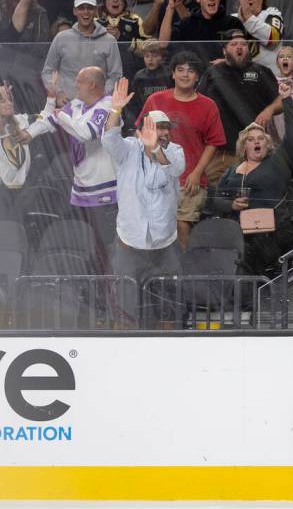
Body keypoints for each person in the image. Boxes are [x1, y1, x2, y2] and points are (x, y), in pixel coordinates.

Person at [103, 79, 185, 327]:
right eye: (153, 127)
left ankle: (171, 344)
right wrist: (115, 110)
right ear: (139, 131)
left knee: (170, 303)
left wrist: (156, 150)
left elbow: (175, 169)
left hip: (165, 241)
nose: (161, 132)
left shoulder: (175, 150)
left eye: (164, 128)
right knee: (125, 304)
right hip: (130, 241)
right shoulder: (127, 149)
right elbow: (109, 139)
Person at [22, 67, 120, 266]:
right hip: (81, 188)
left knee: (108, 246)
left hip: (105, 189)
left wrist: (62, 116)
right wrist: (29, 133)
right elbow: (49, 118)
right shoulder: (77, 105)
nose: (75, 85)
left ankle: (113, 288)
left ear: (92, 84)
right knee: (87, 245)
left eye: (79, 81)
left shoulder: (108, 105)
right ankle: (91, 287)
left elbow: (86, 133)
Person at [137, 51, 226, 250]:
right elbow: (140, 133)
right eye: (180, 70)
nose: (185, 75)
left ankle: (183, 275)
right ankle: (159, 275)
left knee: (181, 225)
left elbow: (214, 142)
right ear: (172, 74)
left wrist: (197, 173)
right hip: (155, 180)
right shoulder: (155, 100)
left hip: (190, 180)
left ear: (197, 77)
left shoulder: (208, 105)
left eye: (191, 71)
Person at [198, 29, 288, 184]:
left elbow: (282, 100)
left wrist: (270, 109)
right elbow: (198, 103)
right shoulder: (212, 73)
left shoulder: (261, 71)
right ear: (224, 50)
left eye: (243, 44)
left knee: (252, 198)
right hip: (219, 153)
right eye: (233, 44)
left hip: (253, 152)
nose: (239, 47)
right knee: (217, 199)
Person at [214, 113, 293, 276]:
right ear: (244, 146)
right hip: (238, 231)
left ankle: (243, 296)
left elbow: (292, 133)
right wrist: (231, 205)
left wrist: (287, 99)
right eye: (251, 139)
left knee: (245, 254)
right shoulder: (231, 171)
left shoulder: (276, 163)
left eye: (261, 138)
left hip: (270, 232)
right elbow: (214, 201)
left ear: (267, 144)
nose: (256, 142)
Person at [41, 0, 123, 105]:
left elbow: (116, 76)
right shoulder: (61, 38)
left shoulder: (109, 40)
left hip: (97, 106)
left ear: (95, 11)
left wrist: (101, 96)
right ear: (75, 11)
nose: (85, 12)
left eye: (89, 8)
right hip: (66, 105)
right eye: (81, 8)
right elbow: (48, 71)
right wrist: (57, 92)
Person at [158, 0, 244, 66]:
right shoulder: (188, 24)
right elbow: (163, 44)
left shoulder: (233, 23)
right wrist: (171, 7)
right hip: (195, 76)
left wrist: (226, 62)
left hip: (225, 75)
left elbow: (245, 53)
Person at [126, 40, 170, 131]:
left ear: (161, 57)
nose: (150, 60)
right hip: (147, 117)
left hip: (167, 116)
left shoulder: (168, 74)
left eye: (154, 56)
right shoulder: (139, 77)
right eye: (147, 56)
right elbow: (135, 102)